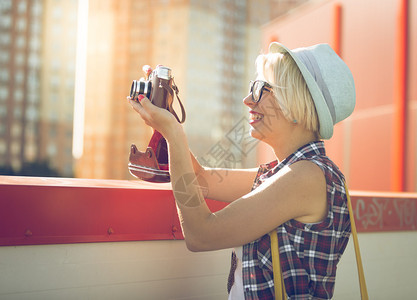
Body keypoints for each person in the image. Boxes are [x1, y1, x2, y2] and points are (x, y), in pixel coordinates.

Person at [128, 42, 355, 299]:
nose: (247, 100)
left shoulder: (307, 178)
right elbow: (199, 180)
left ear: (296, 103)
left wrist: (172, 132)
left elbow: (201, 234)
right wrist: (164, 113)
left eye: (260, 89)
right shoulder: (285, 174)